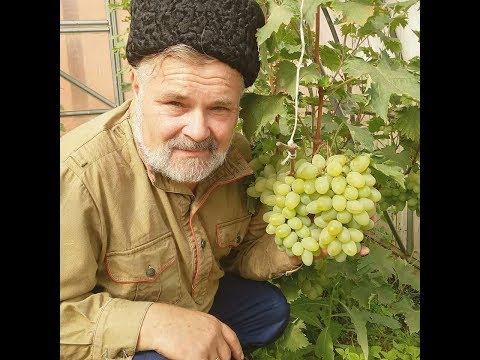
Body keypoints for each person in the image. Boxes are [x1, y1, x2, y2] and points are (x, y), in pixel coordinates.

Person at [60, 1, 368, 359]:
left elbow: (240, 259)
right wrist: (154, 324)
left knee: (269, 309)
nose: (197, 131)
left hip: (194, 295)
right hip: (116, 326)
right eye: (175, 103)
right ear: (136, 87)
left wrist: (298, 245)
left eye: (220, 108)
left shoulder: (233, 156)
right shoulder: (78, 175)